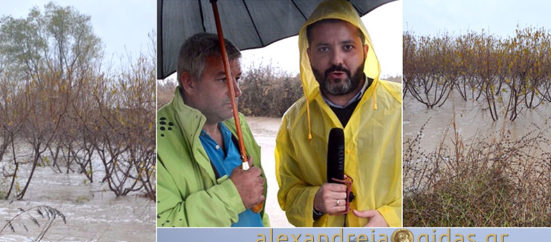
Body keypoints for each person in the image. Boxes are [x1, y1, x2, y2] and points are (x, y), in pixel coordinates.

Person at [275, 0, 402, 227]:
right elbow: (288, 196)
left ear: (364, 51)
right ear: (309, 55)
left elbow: (430, 186)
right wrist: (313, 201)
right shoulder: (293, 122)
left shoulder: (401, 105)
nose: (336, 60)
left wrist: (391, 218)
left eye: (347, 47)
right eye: (324, 49)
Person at [157, 33, 268, 227]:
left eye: (238, 78)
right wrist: (232, 196)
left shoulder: (238, 125)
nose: (237, 91)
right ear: (189, 82)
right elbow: (165, 231)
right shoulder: (158, 139)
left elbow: (259, 211)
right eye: (223, 79)